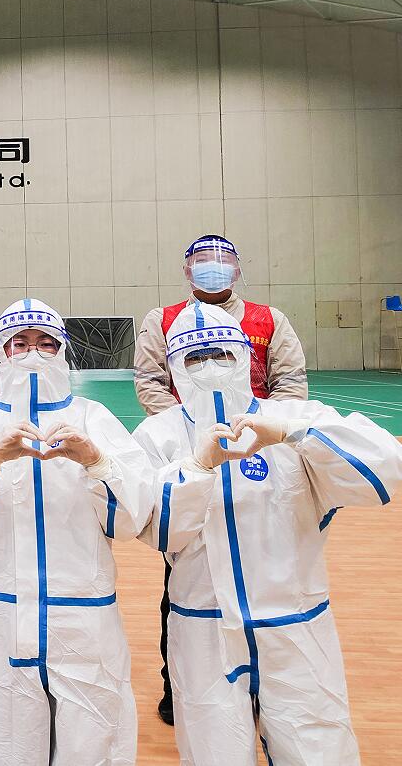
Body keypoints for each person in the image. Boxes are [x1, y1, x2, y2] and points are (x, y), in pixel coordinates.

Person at [134, 302, 402, 765]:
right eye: (194, 357)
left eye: (221, 353)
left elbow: (384, 468)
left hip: (295, 621)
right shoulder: (158, 435)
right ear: (174, 367)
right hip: (203, 627)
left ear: (245, 356)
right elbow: (156, 528)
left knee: (318, 749)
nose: (210, 367)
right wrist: (198, 468)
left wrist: (293, 434)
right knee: (213, 752)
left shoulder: (294, 416)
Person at [0, 299, 154, 766]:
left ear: (63, 350)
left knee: (92, 746)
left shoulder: (94, 418)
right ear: (0, 351)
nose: (33, 354)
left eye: (46, 344)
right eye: (20, 343)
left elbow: (132, 519)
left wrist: (96, 462)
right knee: (0, 747)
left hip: (83, 619)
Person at [133, 233, 308, 725]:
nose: (214, 266)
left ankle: (268, 686)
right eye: (202, 260)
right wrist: (188, 434)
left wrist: (264, 431)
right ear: (187, 270)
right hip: (195, 459)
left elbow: (290, 382)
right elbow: (150, 381)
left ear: (238, 267)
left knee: (267, 573)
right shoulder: (162, 320)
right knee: (185, 576)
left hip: (261, 456)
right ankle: (178, 684)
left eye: (223, 258)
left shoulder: (269, 319)